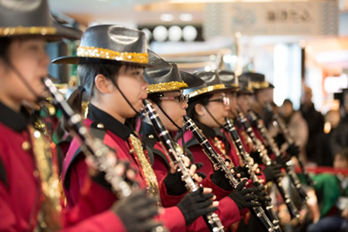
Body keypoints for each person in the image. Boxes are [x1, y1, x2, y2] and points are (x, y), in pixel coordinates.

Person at [0, 1, 161, 231]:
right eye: (32, 49)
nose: (45, 60)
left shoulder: (24, 135)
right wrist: (116, 222)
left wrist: (98, 190)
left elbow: (55, 225)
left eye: (43, 49)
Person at [54, 24, 218, 231]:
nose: (145, 84)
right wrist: (181, 213)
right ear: (104, 84)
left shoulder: (123, 137)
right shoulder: (93, 147)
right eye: (135, 74)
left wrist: (169, 189)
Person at [141, 58, 252, 230]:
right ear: (151, 105)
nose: (185, 104)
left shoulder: (170, 145)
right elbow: (181, 220)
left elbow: (193, 202)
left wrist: (217, 184)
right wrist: (233, 204)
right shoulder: (150, 151)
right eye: (178, 98)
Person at [306, 148, 348, 232]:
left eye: (341, 160)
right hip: (333, 217)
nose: (338, 164)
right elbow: (309, 180)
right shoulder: (329, 178)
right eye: (336, 160)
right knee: (312, 229)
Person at [300, 86, 325, 163]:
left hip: (313, 151)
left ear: (311, 96)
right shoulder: (298, 114)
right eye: (304, 94)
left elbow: (320, 136)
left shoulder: (318, 116)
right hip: (300, 149)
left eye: (308, 94)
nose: (306, 97)